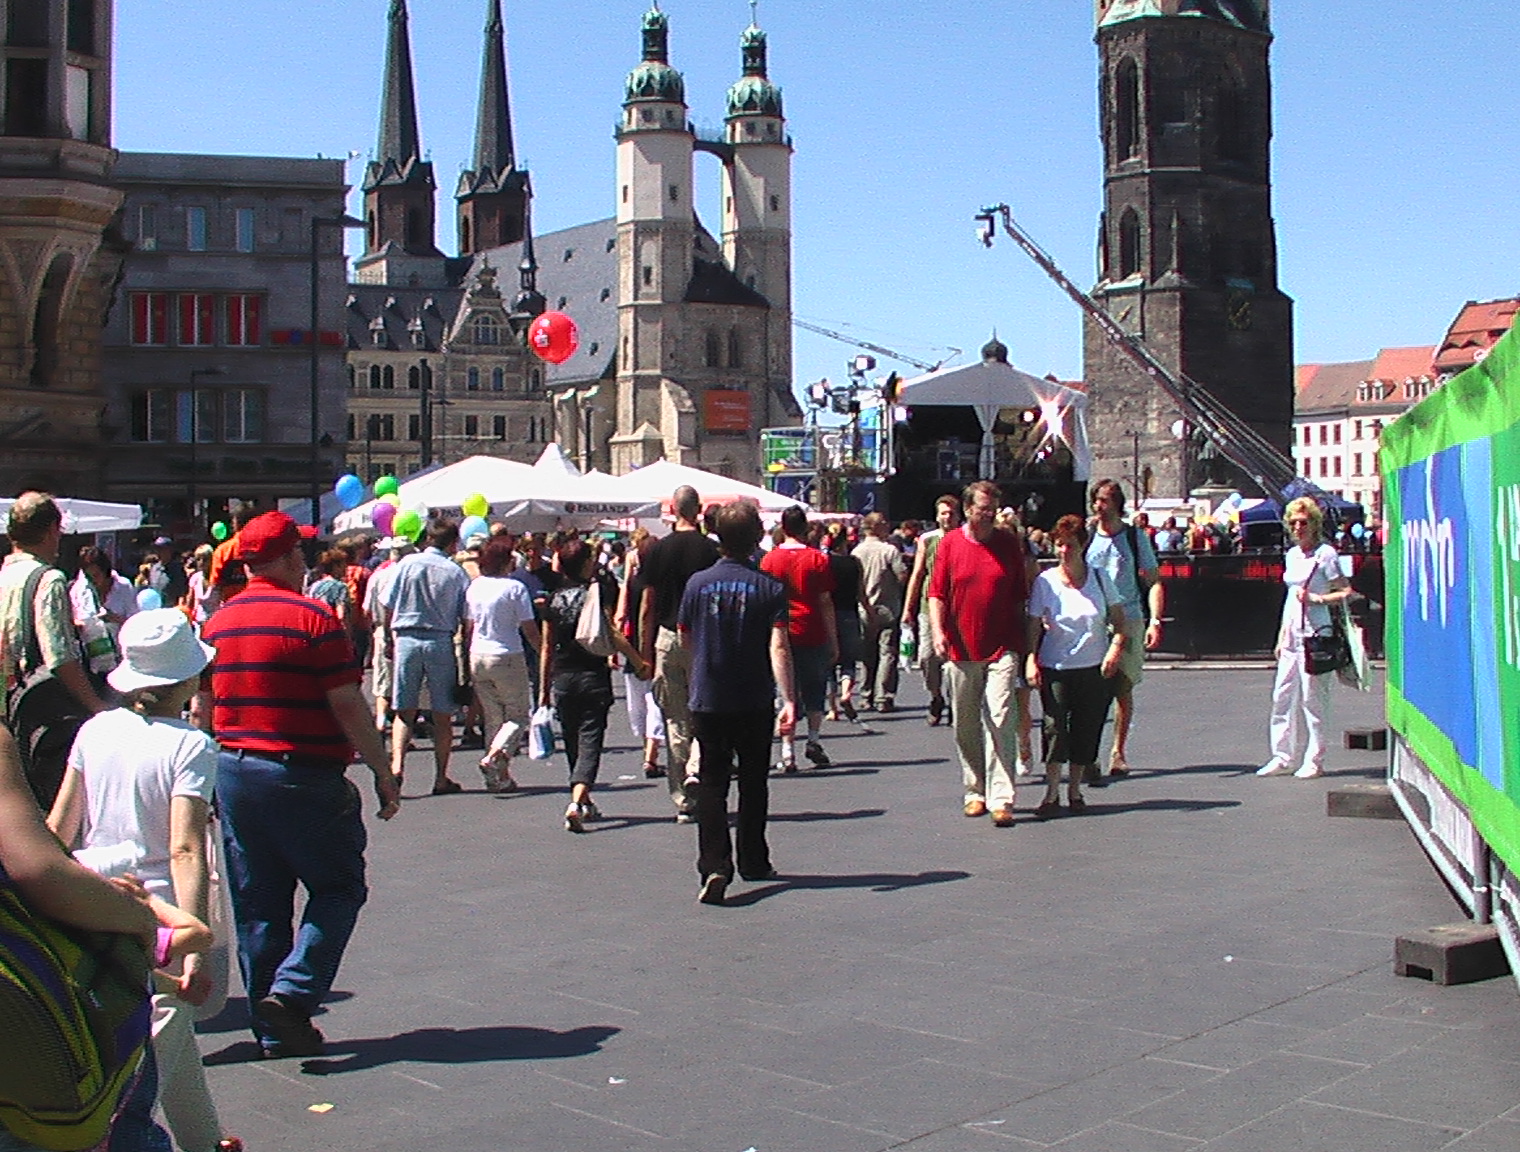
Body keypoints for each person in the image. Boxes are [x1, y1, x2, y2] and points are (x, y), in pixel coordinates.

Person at [199, 510, 400, 1059]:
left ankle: (271, 1029)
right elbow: (348, 705)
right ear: (289, 558)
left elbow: (204, 708)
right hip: (302, 772)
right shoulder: (313, 619)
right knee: (338, 887)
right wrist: (383, 771)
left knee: (258, 904)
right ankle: (291, 993)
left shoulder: (217, 624)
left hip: (235, 770)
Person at [47, 608, 238, 1152]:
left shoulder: (95, 730)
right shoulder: (191, 745)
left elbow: (60, 826)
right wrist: (195, 949)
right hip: (160, 913)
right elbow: (185, 847)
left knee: (170, 1042)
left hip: (95, 898)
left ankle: (206, 1141)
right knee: (146, 1059)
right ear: (187, 679)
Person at [679, 502, 796, 906]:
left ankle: (714, 864)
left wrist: (700, 669)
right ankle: (753, 858)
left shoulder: (697, 584)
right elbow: (779, 646)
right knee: (753, 780)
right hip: (753, 695)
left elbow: (685, 637)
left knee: (712, 784)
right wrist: (789, 697)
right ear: (756, 538)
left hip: (709, 695)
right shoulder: (770, 587)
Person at [927, 481, 1031, 828]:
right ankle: (975, 790)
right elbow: (937, 593)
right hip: (960, 646)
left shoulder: (1008, 544)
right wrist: (938, 632)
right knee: (965, 722)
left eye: (992, 509)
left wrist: (1026, 646)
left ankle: (1002, 798)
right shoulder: (950, 544)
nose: (987, 515)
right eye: (982, 508)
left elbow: (1020, 595)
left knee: (1001, 717)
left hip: (1002, 645)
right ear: (968, 509)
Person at [1, 492, 110, 808]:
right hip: (41, 717)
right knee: (52, 809)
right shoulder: (49, 579)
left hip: (7, 708)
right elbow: (59, 656)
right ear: (51, 530)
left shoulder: (4, 576)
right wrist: (96, 706)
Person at [540, 538, 651, 832]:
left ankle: (583, 798)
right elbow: (612, 633)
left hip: (563, 677)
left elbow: (547, 647)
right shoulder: (593, 595)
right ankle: (576, 802)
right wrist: (638, 661)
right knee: (590, 739)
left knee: (572, 740)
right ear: (585, 564)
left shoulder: (553, 599)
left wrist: (543, 689)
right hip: (592, 675)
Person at [1025, 516, 1127, 818]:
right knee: (1054, 726)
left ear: (1082, 546)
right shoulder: (1045, 581)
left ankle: (1075, 790)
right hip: (1055, 664)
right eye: (1059, 545)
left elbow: (1119, 621)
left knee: (1087, 726)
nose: (1064, 551)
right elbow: (1033, 624)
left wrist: (1115, 648)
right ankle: (1052, 792)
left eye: (1070, 545)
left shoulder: (1099, 578)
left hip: (1093, 665)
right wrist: (1030, 658)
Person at [639, 486, 719, 820]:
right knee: (706, 712)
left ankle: (684, 800)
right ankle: (697, 768)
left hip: (668, 637)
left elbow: (647, 605)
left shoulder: (657, 550)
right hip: (703, 637)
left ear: (672, 509)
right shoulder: (711, 550)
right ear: (698, 510)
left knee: (674, 718)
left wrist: (643, 652)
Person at [1258, 497, 1351, 780]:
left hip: (1316, 633)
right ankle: (1282, 756)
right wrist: (1281, 635)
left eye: (1304, 522)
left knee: (1313, 699)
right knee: (1282, 695)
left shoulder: (1326, 554)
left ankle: (1314, 758)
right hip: (1291, 634)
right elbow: (1290, 598)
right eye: (1294, 522)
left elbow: (1345, 591)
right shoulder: (1292, 555)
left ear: (1314, 523)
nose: (1298, 527)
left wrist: (1317, 599)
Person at [379, 518, 471, 796]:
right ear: (453, 543)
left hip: (406, 637)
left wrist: (387, 638)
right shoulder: (455, 572)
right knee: (442, 714)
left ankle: (397, 765)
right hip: (439, 639)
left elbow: (387, 605)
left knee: (404, 711)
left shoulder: (406, 564)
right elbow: (465, 617)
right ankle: (441, 777)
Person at [1085, 479, 1164, 781]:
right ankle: (1088, 754)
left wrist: (1155, 620)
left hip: (1129, 618)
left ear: (1117, 504)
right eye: (1096, 500)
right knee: (1091, 690)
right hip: (1094, 620)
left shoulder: (1133, 537)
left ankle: (1118, 751)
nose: (1099, 507)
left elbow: (1153, 580)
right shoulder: (1088, 535)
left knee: (1122, 688)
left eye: (1105, 501)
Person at [761, 505, 838, 772]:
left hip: (780, 631)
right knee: (815, 688)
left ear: (783, 528)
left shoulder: (769, 560)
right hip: (812, 629)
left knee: (786, 691)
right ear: (805, 527)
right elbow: (825, 602)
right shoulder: (818, 559)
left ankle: (787, 750)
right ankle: (813, 739)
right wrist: (833, 638)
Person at [465, 536, 541, 793]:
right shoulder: (514, 588)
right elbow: (528, 627)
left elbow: (469, 625)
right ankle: (495, 756)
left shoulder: (475, 587)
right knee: (518, 715)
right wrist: (542, 652)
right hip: (507, 653)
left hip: (478, 653)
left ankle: (499, 777)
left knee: (493, 717)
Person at [903, 495, 960, 726]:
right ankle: (936, 696)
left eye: (951, 513)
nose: (947, 517)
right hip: (930, 606)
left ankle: (956, 702)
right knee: (927, 656)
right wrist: (908, 608)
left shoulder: (965, 538)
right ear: (937, 516)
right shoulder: (927, 540)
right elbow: (917, 574)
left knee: (956, 659)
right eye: (943, 513)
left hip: (958, 607)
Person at [615, 531, 665, 779]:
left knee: (638, 703)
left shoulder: (634, 582)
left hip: (631, 646)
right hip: (651, 647)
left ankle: (648, 750)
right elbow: (646, 615)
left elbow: (621, 614)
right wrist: (646, 654)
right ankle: (651, 755)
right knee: (655, 699)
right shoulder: (657, 583)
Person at [853, 511, 908, 713]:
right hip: (888, 607)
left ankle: (865, 694)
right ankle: (883, 696)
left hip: (864, 608)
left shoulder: (857, 551)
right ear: (876, 527)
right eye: (884, 523)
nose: (887, 526)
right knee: (887, 653)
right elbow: (901, 575)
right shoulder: (889, 551)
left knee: (867, 654)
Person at [70, 546, 138, 676]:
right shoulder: (78, 590)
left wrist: (114, 618)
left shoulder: (123, 586)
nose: (93, 581)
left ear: (105, 571)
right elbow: (73, 619)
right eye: (88, 576)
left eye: (96, 575)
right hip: (92, 660)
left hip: (122, 659)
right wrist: (81, 625)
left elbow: (135, 622)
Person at [824, 529, 866, 722]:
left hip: (828, 615)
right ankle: (846, 693)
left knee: (829, 664)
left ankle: (833, 709)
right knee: (848, 661)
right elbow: (861, 593)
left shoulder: (824, 562)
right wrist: (870, 612)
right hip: (850, 613)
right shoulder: (854, 563)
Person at [182, 544, 219, 626]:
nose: (201, 562)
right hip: (199, 623)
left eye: (205, 559)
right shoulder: (195, 578)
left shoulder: (218, 577)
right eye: (198, 559)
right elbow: (190, 603)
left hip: (216, 622)